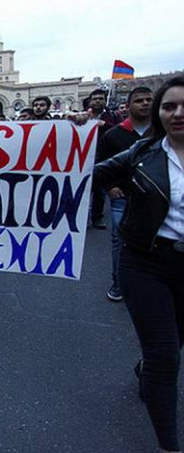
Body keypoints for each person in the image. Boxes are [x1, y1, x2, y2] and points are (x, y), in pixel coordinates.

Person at [92, 76, 184, 453]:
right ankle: (169, 446)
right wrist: (69, 140)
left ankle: (146, 368)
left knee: (173, 344)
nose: (178, 113)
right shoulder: (141, 152)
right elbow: (85, 175)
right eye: (169, 106)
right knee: (165, 357)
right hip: (146, 262)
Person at [97, 86, 154, 303]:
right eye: (139, 100)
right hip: (122, 198)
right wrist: (110, 187)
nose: (145, 103)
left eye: (149, 99)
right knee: (120, 242)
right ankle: (119, 283)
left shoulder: (164, 133)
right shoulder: (114, 135)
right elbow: (100, 165)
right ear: (128, 106)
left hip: (157, 199)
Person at [88, 88, 122, 230]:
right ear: (90, 101)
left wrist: (104, 125)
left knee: (99, 191)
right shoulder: (83, 116)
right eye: (95, 99)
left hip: (103, 158)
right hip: (84, 158)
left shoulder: (113, 116)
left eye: (100, 98)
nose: (98, 101)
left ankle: (97, 217)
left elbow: (120, 131)